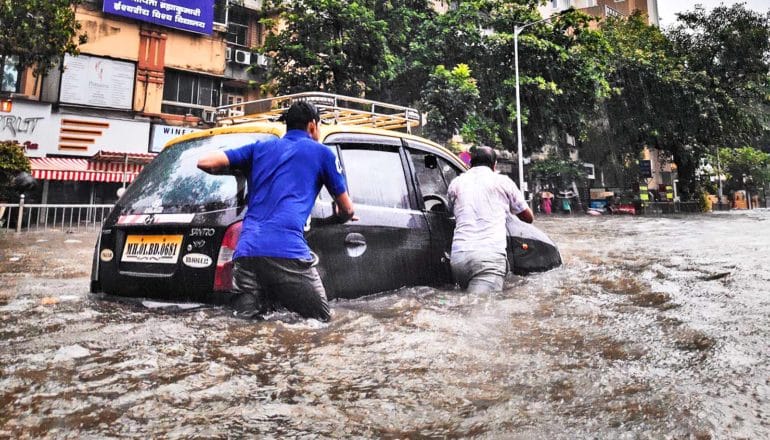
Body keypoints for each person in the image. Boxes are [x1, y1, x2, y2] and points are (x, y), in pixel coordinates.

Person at [197, 101, 356, 321]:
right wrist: (339, 216)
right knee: (321, 323)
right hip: (288, 252)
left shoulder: (259, 148)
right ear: (312, 126)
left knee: (243, 326)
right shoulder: (322, 154)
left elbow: (205, 162)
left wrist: (239, 170)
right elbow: (347, 209)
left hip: (246, 253)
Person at [447, 146, 534, 293]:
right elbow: (528, 217)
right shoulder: (503, 182)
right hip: (488, 259)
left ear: (470, 164)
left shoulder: (456, 183)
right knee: (482, 311)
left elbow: (451, 211)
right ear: (494, 165)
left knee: (466, 306)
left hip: (458, 259)